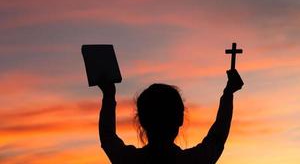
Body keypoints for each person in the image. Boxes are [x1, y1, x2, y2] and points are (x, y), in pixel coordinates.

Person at [98, 69, 244, 164]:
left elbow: (107, 136)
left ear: (141, 121)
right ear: (180, 119)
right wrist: (228, 94)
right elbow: (217, 138)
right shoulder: (193, 161)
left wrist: (109, 95)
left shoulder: (129, 161)